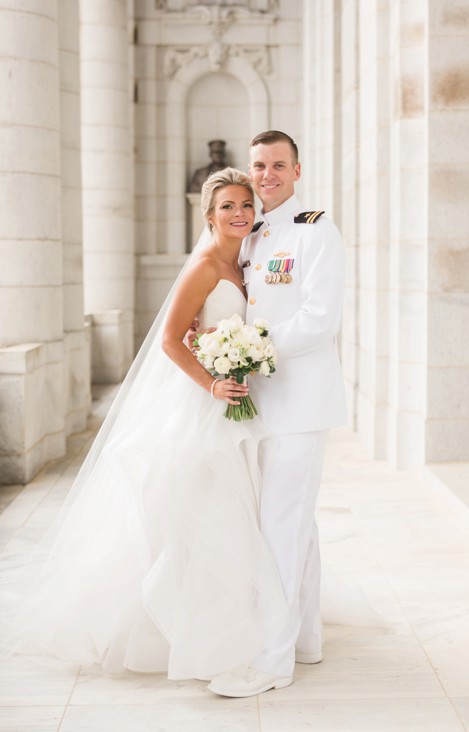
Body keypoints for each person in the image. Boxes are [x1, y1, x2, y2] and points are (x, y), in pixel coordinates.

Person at [0, 168, 289, 681]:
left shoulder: (246, 259)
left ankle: (232, 613)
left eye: (246, 205)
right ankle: (188, 626)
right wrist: (213, 384)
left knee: (234, 505)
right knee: (200, 508)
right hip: (204, 402)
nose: (240, 213)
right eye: (228, 206)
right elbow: (171, 340)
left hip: (233, 397)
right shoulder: (204, 265)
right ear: (209, 214)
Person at [206, 130, 347, 698]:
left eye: (277, 166)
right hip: (262, 404)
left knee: (280, 530)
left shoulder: (316, 231)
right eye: (259, 165)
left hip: (301, 403)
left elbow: (320, 318)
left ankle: (271, 660)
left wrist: (249, 343)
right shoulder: (251, 233)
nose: (266, 175)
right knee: (296, 525)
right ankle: (306, 639)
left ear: (297, 170)